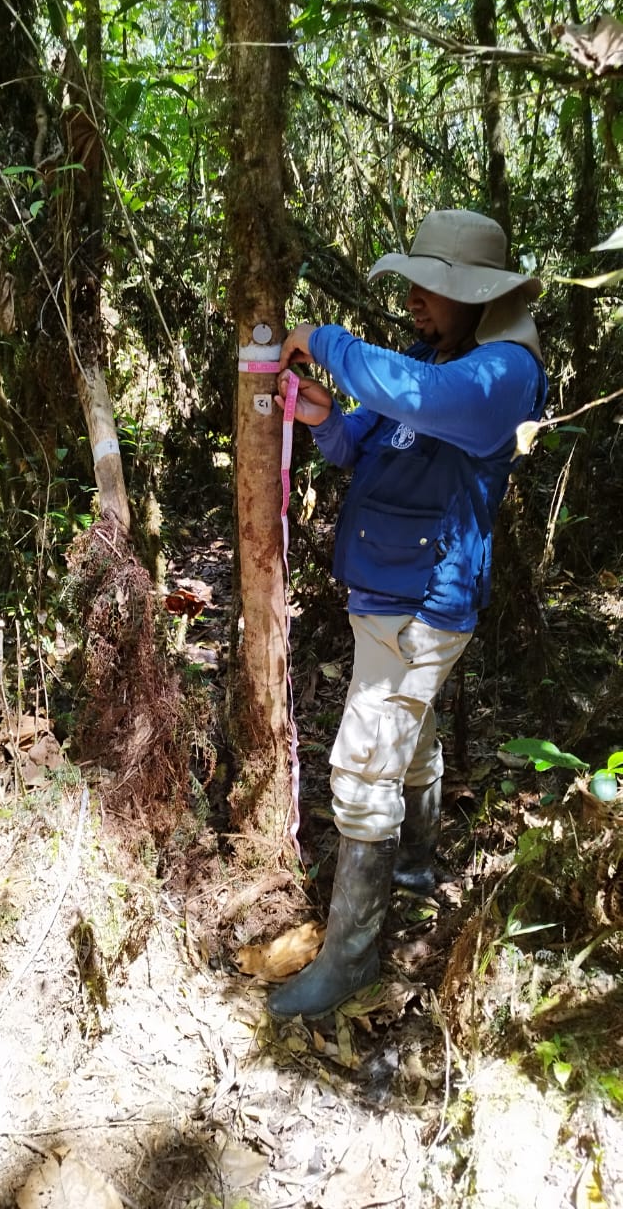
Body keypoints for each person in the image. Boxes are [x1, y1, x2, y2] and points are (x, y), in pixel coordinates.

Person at [267, 209, 548, 1021]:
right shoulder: (438, 354)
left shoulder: (501, 373)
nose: (418, 300)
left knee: (362, 763)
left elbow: (421, 401)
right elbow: (370, 438)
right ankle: (416, 868)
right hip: (391, 589)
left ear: (477, 295)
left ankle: (350, 960)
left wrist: (329, 342)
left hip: (422, 600)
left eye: (433, 287)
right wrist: (326, 419)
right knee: (410, 737)